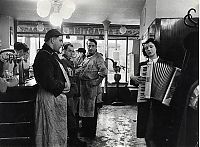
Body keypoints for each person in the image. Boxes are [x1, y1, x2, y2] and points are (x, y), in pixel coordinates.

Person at [130, 38, 173, 147]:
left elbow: (173, 83)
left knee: (159, 132)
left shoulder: (168, 64)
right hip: (145, 102)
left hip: (161, 103)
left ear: (156, 48)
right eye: (146, 48)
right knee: (147, 132)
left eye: (151, 47)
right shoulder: (142, 65)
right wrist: (133, 78)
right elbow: (136, 82)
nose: (148, 49)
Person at [33, 29, 70, 146]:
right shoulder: (43, 56)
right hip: (48, 98)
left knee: (55, 131)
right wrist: (63, 85)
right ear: (52, 40)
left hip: (53, 98)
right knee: (49, 132)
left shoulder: (50, 54)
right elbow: (49, 82)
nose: (61, 44)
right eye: (60, 41)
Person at [76, 39, 108, 138]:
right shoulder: (86, 57)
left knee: (91, 111)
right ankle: (85, 130)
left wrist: (97, 82)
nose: (90, 48)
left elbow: (103, 72)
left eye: (92, 46)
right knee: (84, 110)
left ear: (96, 47)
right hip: (83, 87)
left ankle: (90, 133)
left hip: (91, 88)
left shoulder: (98, 57)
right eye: (89, 46)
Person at [60, 42, 87, 147]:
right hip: (68, 93)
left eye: (72, 51)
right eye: (69, 51)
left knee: (73, 115)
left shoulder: (69, 61)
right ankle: (73, 140)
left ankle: (73, 139)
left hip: (73, 92)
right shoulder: (63, 62)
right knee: (70, 117)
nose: (71, 53)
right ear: (64, 50)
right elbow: (68, 75)